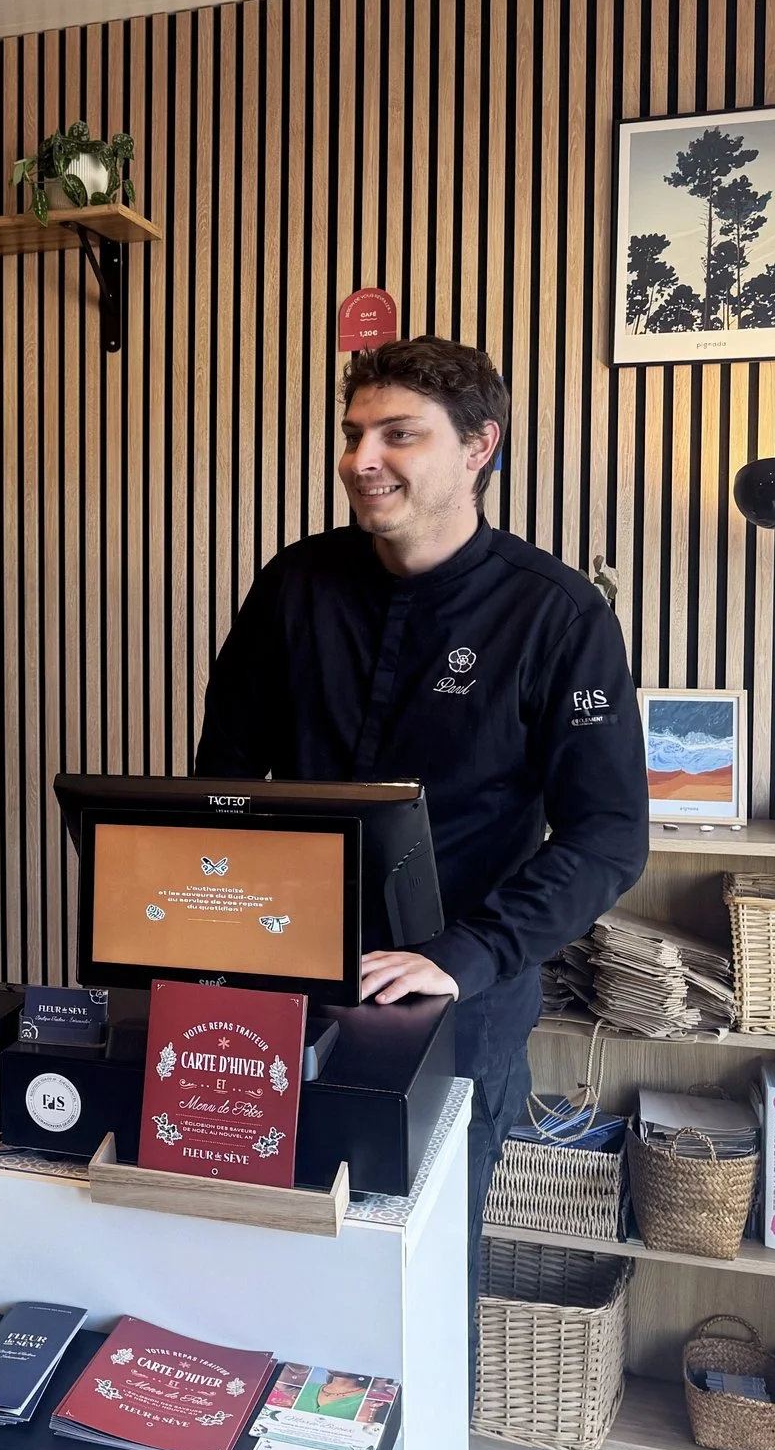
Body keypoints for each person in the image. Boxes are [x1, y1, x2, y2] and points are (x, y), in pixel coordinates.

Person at [193, 336, 647, 1271]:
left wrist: (463, 954)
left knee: (423, 1278)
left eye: (398, 434)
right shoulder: (293, 587)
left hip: (458, 1001)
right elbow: (223, 781)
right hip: (284, 978)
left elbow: (608, 835)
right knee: (263, 1252)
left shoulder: (557, 617)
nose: (362, 459)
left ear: (480, 446)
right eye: (355, 432)